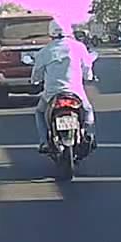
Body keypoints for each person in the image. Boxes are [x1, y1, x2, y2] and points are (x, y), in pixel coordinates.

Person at [30, 22, 95, 153]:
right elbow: (87, 67)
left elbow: (37, 73)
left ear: (51, 32)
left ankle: (44, 142)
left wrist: (35, 81)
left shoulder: (45, 51)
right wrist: (88, 77)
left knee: (40, 112)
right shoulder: (79, 47)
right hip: (75, 91)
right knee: (88, 110)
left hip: (52, 93)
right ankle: (87, 135)